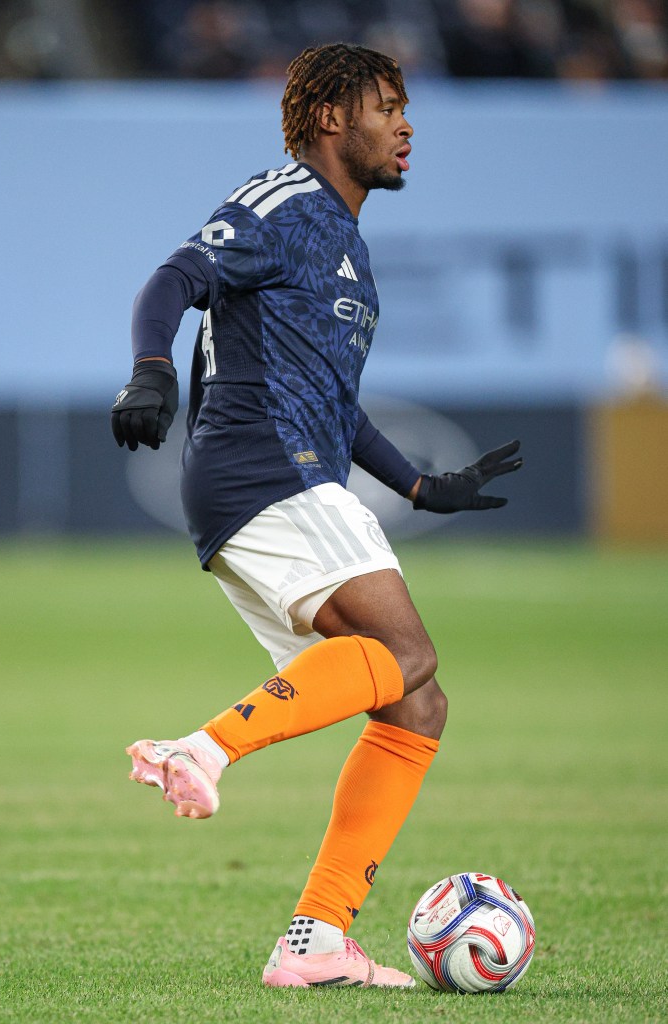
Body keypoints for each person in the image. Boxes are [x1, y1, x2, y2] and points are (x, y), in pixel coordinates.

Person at [111, 42, 522, 989]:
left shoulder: (346, 244)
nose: (405, 124)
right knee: (410, 654)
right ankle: (201, 747)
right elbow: (171, 279)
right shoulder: (282, 202)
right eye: (386, 106)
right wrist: (151, 369)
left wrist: (420, 487)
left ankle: (317, 939)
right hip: (266, 466)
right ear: (332, 118)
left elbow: (338, 401)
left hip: (285, 469)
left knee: (412, 701)